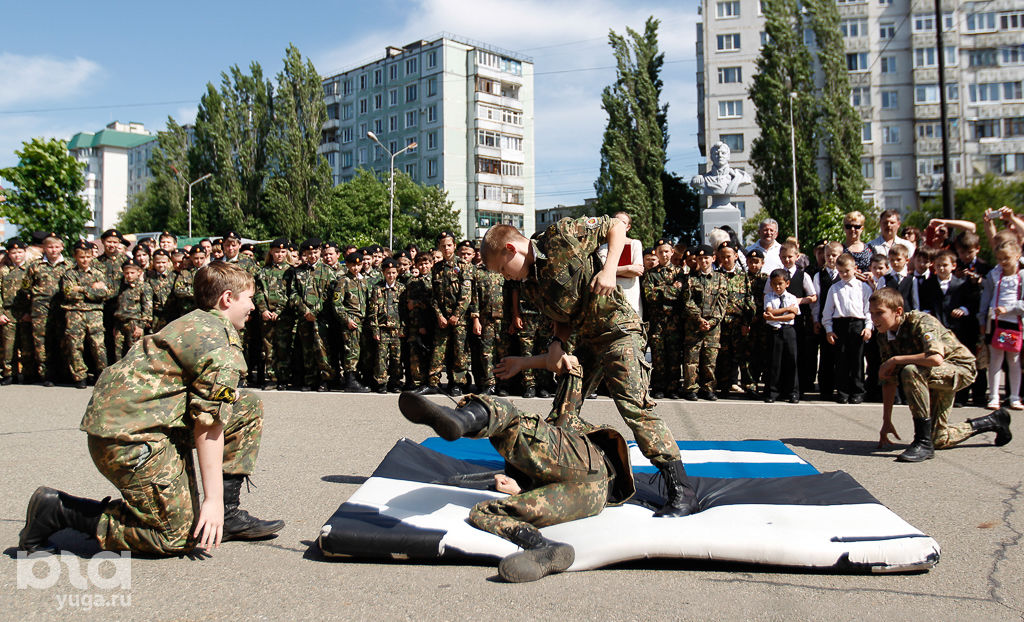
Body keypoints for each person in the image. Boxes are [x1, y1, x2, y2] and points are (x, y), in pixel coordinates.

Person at [18, 262, 284, 555]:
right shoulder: (217, 345)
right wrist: (212, 500)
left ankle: (228, 516)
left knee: (245, 407)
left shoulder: (196, 321)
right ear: (228, 298)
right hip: (126, 441)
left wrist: (218, 504)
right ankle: (59, 511)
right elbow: (209, 425)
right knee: (174, 535)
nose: (254, 307)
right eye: (249, 298)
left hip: (143, 424)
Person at [481, 215, 698, 517]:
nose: (507, 277)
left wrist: (609, 270)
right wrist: (556, 344)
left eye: (503, 269)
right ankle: (550, 475)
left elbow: (617, 225)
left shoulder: (561, 234)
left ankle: (681, 490)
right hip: (586, 340)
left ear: (510, 249)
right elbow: (562, 317)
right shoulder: (530, 284)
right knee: (563, 410)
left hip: (618, 330)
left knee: (634, 407)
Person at [397, 357, 635, 583]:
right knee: (485, 512)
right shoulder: (548, 451)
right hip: (591, 498)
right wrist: (518, 491)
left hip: (587, 463)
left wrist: (562, 363)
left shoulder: (564, 426)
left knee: (511, 419)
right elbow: (572, 377)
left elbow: (572, 380)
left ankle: (462, 419)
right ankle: (543, 547)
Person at [872, 287, 1011, 462]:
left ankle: (922, 442)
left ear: (898, 311)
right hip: (931, 374)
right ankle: (993, 421)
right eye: (871, 313)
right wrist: (886, 421)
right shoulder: (884, 336)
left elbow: (935, 358)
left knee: (910, 370)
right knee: (939, 438)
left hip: (959, 368)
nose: (874, 319)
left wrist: (895, 360)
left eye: (879, 313)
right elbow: (889, 380)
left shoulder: (921, 321)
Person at [420, 232, 473, 396]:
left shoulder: (464, 266)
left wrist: (456, 315)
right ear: (439, 247)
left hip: (459, 319)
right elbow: (434, 296)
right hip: (441, 318)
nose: (446, 248)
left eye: (449, 245)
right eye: (443, 246)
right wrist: (439, 315)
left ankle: (457, 383)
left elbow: (466, 294)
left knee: (459, 351)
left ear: (454, 246)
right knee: (438, 350)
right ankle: (433, 383)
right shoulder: (437, 267)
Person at [978, 239, 1024, 410]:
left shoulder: (1022, 276)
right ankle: (994, 396)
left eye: (1006, 258)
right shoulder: (995, 275)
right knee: (995, 360)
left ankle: (1014, 396)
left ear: (1017, 256)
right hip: (996, 323)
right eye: (999, 259)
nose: (1002, 262)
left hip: (1015, 324)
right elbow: (986, 298)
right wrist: (982, 319)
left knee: (1014, 360)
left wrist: (1010, 308)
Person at [822, 254, 874, 404]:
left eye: (847, 271)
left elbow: (868, 310)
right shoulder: (834, 288)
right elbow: (828, 311)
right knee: (842, 360)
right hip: (840, 325)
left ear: (854, 268)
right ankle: (843, 391)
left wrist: (868, 327)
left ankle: (857, 391)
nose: (844, 274)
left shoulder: (863, 287)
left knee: (857, 360)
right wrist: (829, 329)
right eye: (840, 271)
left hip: (858, 324)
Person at [680, 244, 728, 401]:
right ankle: (690, 389)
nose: (703, 261)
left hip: (712, 328)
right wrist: (699, 319)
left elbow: (722, 303)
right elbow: (688, 302)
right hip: (694, 325)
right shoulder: (691, 279)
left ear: (713, 258)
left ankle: (708, 388)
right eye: (700, 258)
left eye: (706, 258)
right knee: (691, 360)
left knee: (709, 360)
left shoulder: (721, 279)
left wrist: (712, 322)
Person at [60, 241, 110, 389]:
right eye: (81, 257)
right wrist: (90, 289)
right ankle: (79, 376)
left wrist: (80, 289)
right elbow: (68, 293)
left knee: (98, 345)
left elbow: (104, 294)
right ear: (75, 256)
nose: (85, 260)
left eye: (88, 256)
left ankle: (102, 375)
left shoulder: (98, 273)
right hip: (74, 313)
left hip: (94, 313)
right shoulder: (69, 274)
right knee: (75, 345)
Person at [25, 233, 69, 386]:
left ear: (62, 248)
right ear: (44, 248)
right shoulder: (35, 266)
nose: (53, 250)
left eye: (57, 247)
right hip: (40, 309)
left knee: (63, 340)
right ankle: (46, 374)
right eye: (50, 247)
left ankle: (64, 372)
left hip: (62, 308)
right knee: (42, 341)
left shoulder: (69, 265)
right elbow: (25, 288)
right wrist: (28, 309)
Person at [641, 238, 683, 398]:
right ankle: (658, 387)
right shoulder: (651, 274)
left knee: (673, 355)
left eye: (666, 251)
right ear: (657, 254)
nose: (664, 254)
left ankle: (673, 387)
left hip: (674, 321)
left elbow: (681, 295)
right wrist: (671, 289)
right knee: (658, 356)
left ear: (672, 252)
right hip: (657, 321)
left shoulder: (680, 273)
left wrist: (661, 291)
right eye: (660, 252)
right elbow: (650, 296)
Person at [254, 238, 293, 390]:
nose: (280, 255)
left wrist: (279, 311)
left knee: (283, 347)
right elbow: (258, 293)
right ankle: (271, 377)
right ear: (271, 252)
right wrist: (263, 309)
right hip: (266, 316)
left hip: (284, 316)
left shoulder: (290, 271)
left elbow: (291, 293)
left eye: (283, 252)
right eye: (277, 251)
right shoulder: (263, 271)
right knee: (268, 347)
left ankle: (283, 377)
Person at [596, 211, 644, 317]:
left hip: (631, 299)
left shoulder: (634, 244)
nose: (619, 225)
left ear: (628, 227)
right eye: (616, 222)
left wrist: (612, 271)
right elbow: (602, 271)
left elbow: (638, 271)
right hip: (610, 299)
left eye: (623, 222)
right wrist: (628, 268)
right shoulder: (604, 247)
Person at [811, 242, 843, 401]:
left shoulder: (845, 274)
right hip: (826, 320)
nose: (831, 258)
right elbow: (816, 301)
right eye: (828, 255)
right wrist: (816, 319)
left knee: (841, 355)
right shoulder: (819, 275)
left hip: (841, 320)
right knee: (826, 356)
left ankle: (841, 386)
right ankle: (826, 388)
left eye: (834, 255)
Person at [763, 268, 800, 403]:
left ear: (787, 284)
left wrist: (775, 316)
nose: (777, 287)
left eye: (780, 283)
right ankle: (772, 392)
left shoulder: (792, 298)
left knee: (791, 361)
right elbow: (769, 311)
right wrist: (786, 309)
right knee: (774, 362)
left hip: (788, 331)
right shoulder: (768, 297)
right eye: (774, 284)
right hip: (774, 332)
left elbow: (792, 315)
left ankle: (792, 392)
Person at [369, 258, 405, 393]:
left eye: (394, 272)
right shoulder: (377, 289)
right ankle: (381, 382)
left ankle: (395, 382)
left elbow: (405, 311)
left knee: (397, 358)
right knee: (381, 357)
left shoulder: (402, 288)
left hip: (397, 329)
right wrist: (375, 330)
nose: (391, 275)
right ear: (384, 273)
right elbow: (373, 311)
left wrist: (403, 327)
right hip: (382, 328)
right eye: (388, 273)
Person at [0, 239, 33, 385]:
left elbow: (35, 293)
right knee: (8, 344)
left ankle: (28, 373)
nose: (17, 255)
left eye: (20, 252)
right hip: (8, 311)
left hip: (26, 312)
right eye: (14, 252)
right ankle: (9, 373)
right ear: (8, 254)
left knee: (26, 344)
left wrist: (30, 312)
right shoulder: (3, 271)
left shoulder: (31, 269)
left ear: (25, 253)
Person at [112, 259, 153, 360]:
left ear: (139, 272)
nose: (129, 275)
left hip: (134, 323)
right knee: (118, 353)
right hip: (120, 323)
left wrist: (141, 326)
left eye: (132, 273)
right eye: (127, 273)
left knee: (135, 353)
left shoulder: (144, 287)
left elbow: (147, 308)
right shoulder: (120, 287)